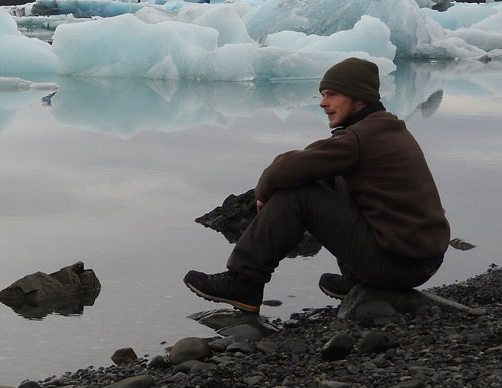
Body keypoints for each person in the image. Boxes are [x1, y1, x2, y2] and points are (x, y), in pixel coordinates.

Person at [184, 56, 450, 313]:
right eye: (323, 94)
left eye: (332, 94)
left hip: (397, 265)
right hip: (417, 262)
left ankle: (244, 281)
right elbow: (304, 162)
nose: (323, 103)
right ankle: (358, 279)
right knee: (327, 176)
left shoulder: (359, 138)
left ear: (359, 97)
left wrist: (263, 194)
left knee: (299, 192)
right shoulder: (384, 128)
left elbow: (280, 172)